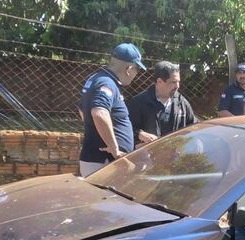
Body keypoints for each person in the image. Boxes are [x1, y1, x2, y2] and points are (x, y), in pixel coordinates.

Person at [78, 43, 145, 177]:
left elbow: (82, 110)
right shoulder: (107, 83)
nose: (135, 74)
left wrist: (95, 134)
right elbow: (99, 113)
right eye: (136, 70)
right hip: (104, 162)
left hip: (98, 160)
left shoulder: (96, 79)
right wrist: (115, 149)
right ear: (129, 68)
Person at [128, 61, 197, 147]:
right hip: (146, 157)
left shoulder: (182, 103)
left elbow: (194, 127)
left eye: (178, 81)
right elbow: (125, 129)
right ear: (159, 81)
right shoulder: (139, 102)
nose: (177, 86)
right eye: (173, 82)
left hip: (174, 156)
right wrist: (139, 134)